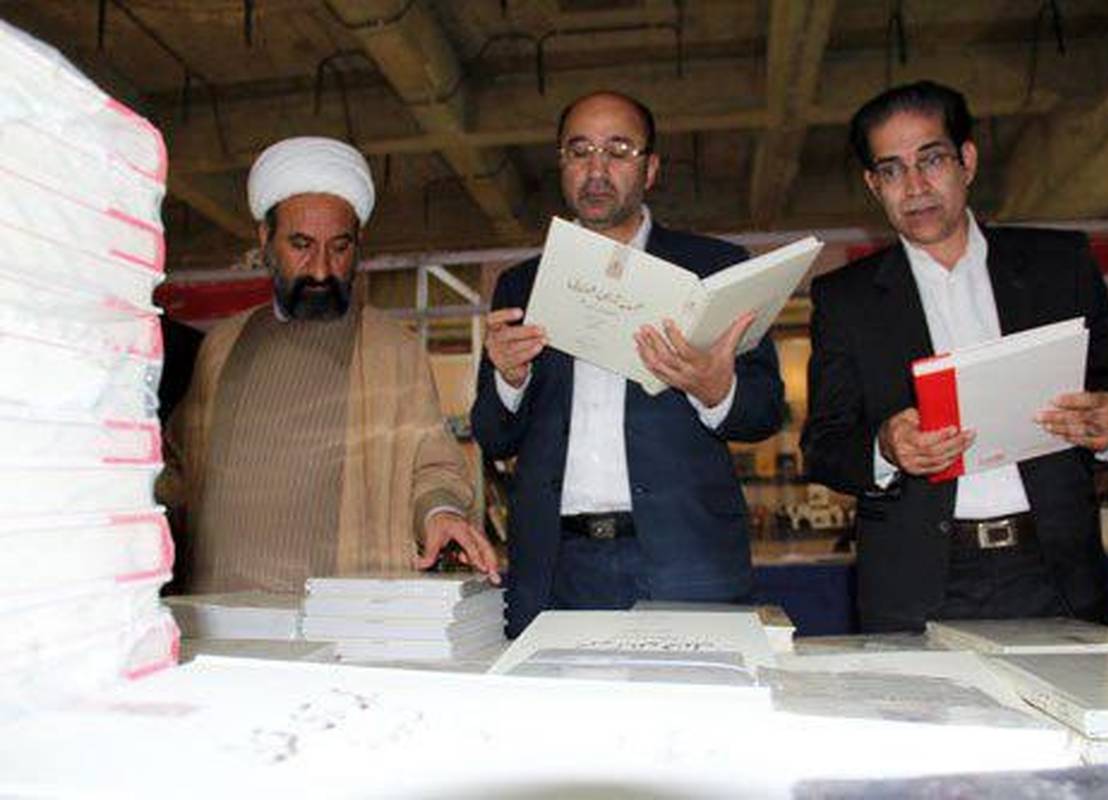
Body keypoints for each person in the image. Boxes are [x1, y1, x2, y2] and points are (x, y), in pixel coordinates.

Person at [801, 81, 1108, 632]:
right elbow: (824, 446)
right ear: (873, 184)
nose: (915, 186)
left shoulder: (1061, 264)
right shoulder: (846, 300)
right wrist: (886, 446)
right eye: (891, 170)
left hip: (1053, 569)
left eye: (931, 159)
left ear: (967, 160)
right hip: (917, 582)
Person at [471, 91, 785, 636]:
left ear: (651, 169)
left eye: (618, 151)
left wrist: (717, 389)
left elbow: (764, 411)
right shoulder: (522, 284)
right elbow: (493, 437)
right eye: (580, 151)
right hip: (555, 568)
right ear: (562, 164)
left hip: (687, 560)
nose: (597, 170)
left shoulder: (714, 268)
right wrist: (509, 380)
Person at [165, 136, 498, 594]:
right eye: (300, 244)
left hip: (346, 613)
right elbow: (179, 466)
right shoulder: (223, 345)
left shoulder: (393, 350)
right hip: (220, 610)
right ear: (265, 239)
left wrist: (440, 512)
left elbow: (433, 465)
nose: (321, 269)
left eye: (339, 247)